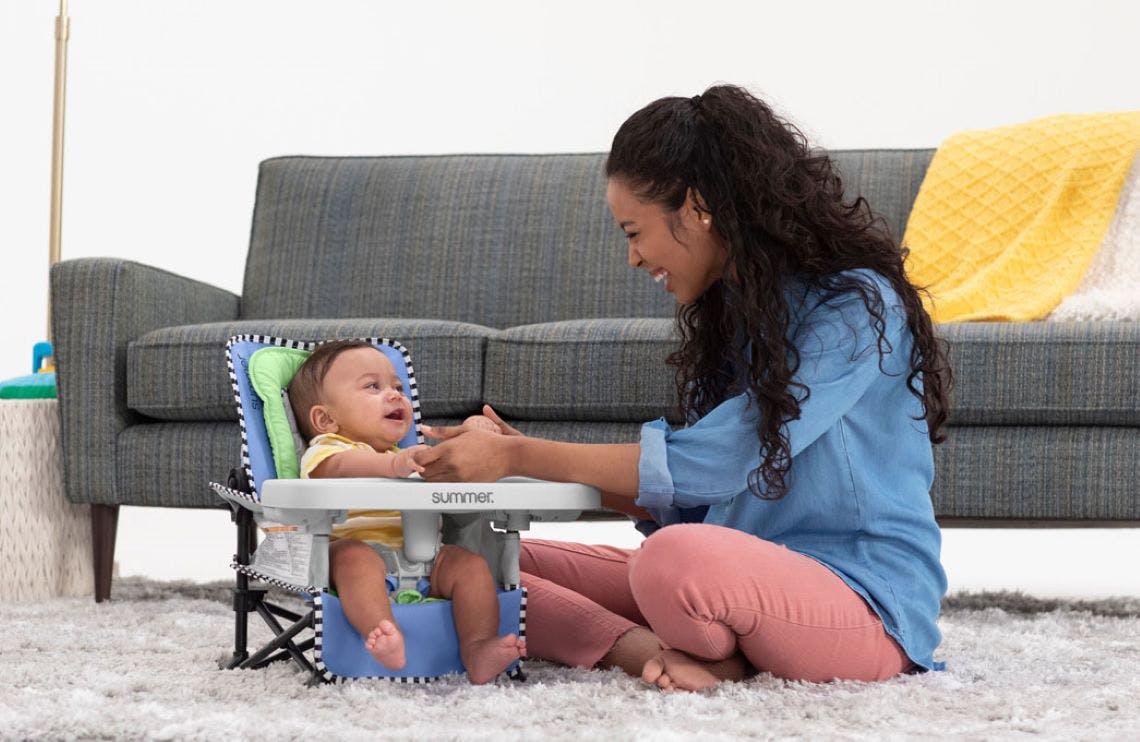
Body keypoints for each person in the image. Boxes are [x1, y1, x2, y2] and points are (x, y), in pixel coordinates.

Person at [416, 84, 952, 692]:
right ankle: (674, 656)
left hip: (861, 602)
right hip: (737, 581)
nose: (633, 258)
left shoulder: (856, 307)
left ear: (697, 207)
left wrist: (519, 454)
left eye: (633, 231)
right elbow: (688, 503)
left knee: (673, 563)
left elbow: (719, 461)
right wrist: (516, 461)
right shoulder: (742, 315)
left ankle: (714, 650)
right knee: (483, 566)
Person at [287, 339, 524, 684]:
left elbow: (455, 466)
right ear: (326, 419)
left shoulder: (407, 453)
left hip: (424, 558)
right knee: (353, 558)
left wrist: (475, 436)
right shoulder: (329, 449)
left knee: (470, 566)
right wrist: (393, 463)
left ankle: (478, 646)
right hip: (356, 552)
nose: (395, 394)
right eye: (373, 386)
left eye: (398, 387)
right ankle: (381, 633)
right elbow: (336, 468)